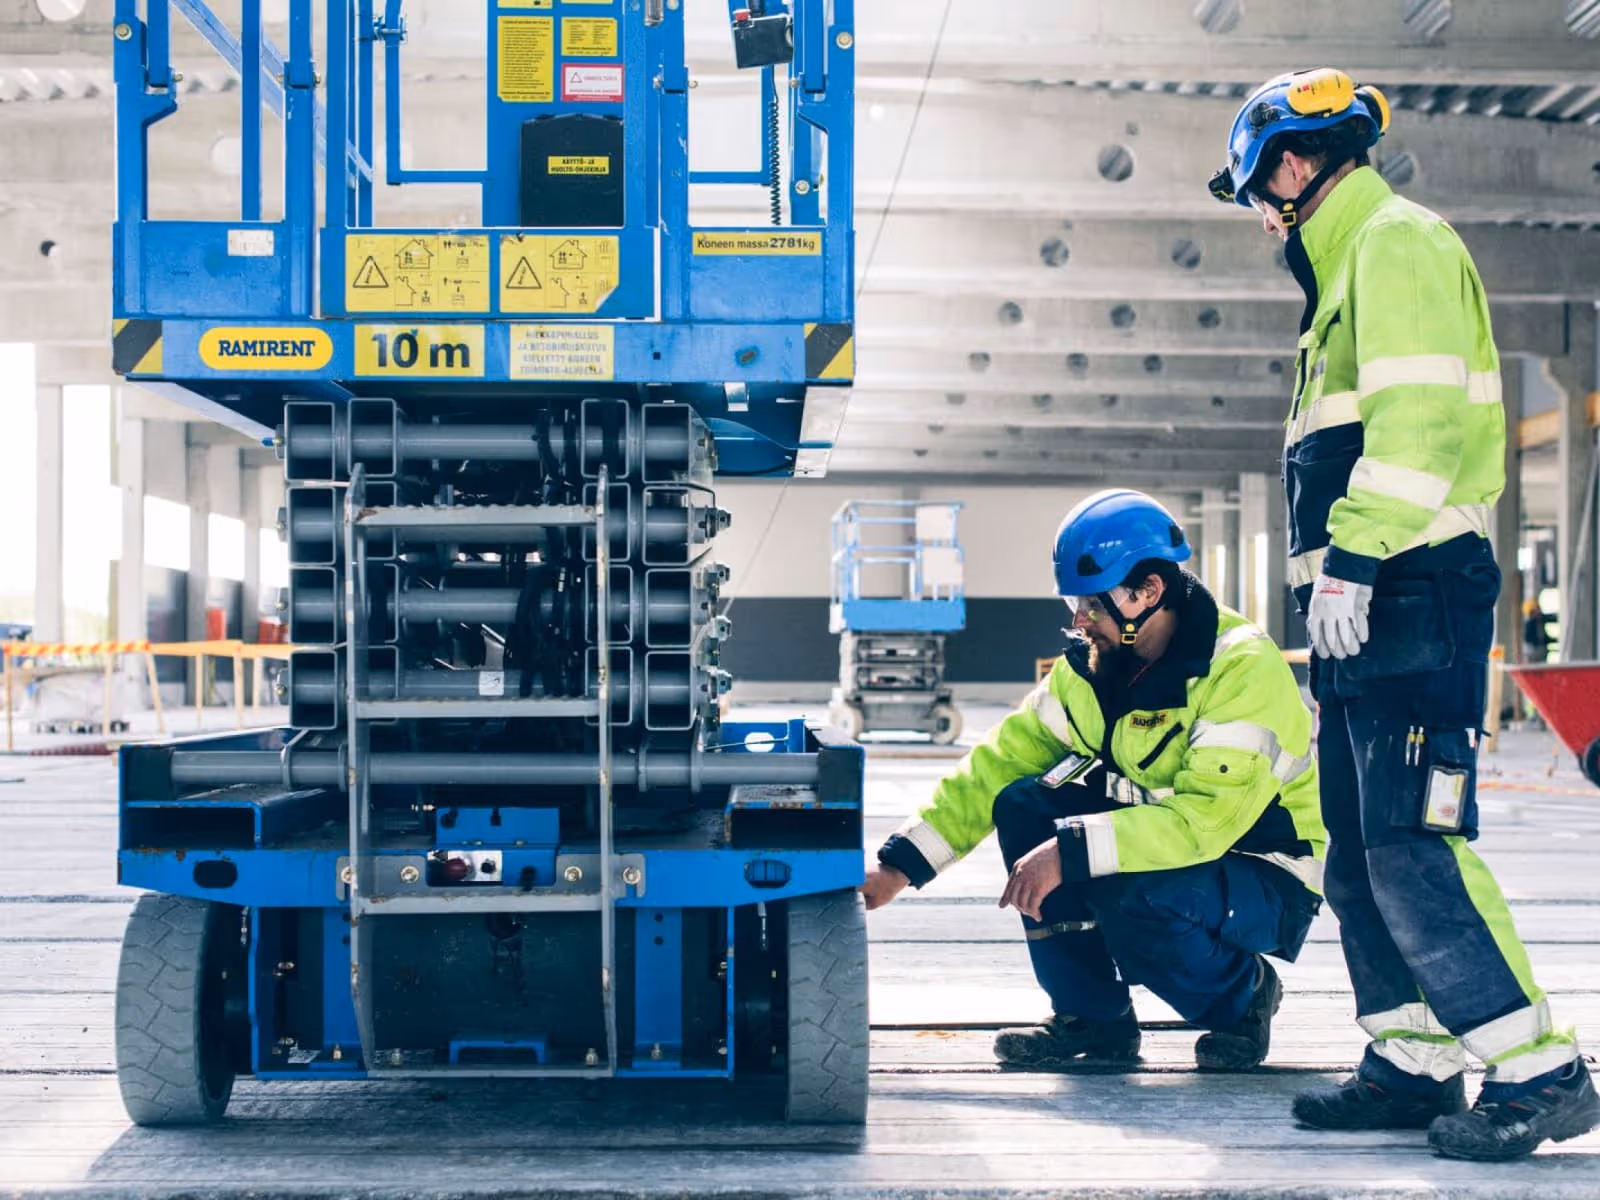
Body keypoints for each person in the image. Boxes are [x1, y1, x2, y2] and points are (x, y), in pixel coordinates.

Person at [1210, 67, 1599, 1160]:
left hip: (1409, 587)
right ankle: (1413, 1058)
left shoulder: (1395, 245)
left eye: (1254, 190)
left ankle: (1541, 1071)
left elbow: (1418, 424)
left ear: (1292, 168)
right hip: (1371, 602)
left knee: (1416, 845)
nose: (1256, 214)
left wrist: (1355, 560)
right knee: (1356, 852)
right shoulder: (1346, 270)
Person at [860, 489, 1326, 1073]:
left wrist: (1070, 851)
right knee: (1023, 804)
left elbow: (1203, 824)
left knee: (1136, 893)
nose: (1079, 621)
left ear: (1148, 593)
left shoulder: (1239, 669)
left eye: (1092, 606)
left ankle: (1242, 996)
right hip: (1167, 851)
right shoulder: (1089, 670)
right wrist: (897, 867)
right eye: (1072, 603)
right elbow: (997, 765)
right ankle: (1093, 1019)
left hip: (1261, 870)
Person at [1522, 598, 1552, 666]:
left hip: (1539, 652)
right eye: (1537, 609)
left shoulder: (1539, 622)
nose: (1539, 611)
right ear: (1532, 612)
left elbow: (1543, 638)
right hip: (1534, 654)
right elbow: (1529, 639)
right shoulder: (1530, 624)